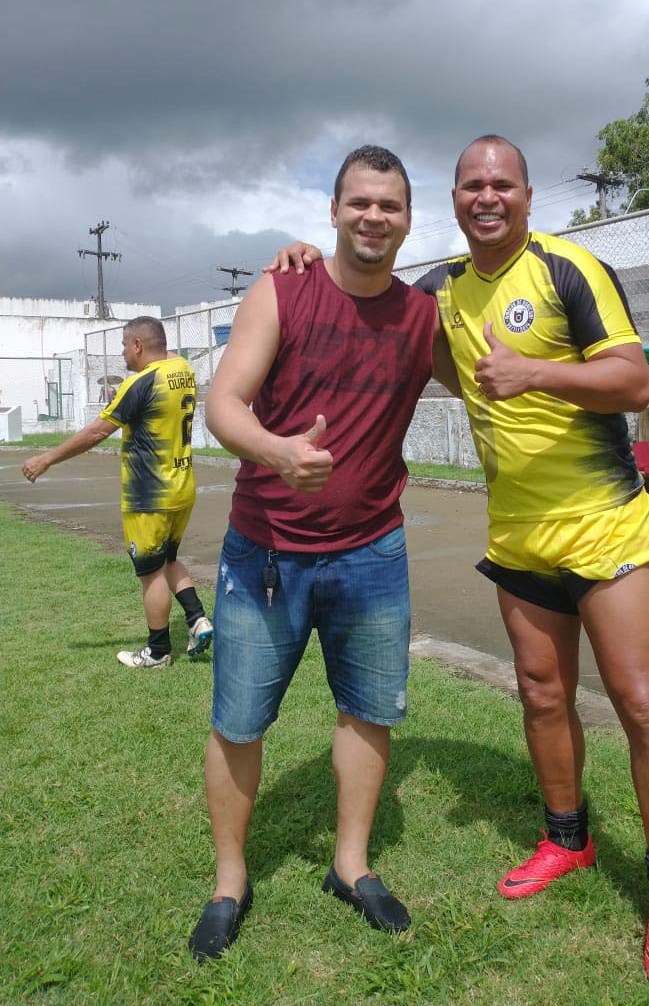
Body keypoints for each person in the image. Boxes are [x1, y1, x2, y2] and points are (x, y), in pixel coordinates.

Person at [274, 135, 649, 992]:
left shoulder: (569, 268)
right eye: (472, 185)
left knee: (643, 705)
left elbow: (634, 382)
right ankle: (567, 839)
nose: (488, 196)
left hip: (604, 528)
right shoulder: (442, 291)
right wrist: (305, 261)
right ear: (456, 201)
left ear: (528, 196)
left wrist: (533, 372)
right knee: (541, 693)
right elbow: (370, 289)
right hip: (517, 535)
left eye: (503, 183)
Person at [188, 146, 458, 963]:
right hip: (265, 553)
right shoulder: (283, 288)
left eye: (390, 205)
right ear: (334, 211)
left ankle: (351, 866)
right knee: (239, 720)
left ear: (408, 221)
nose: (374, 216)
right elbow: (222, 401)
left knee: (367, 711)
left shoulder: (422, 318)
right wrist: (276, 452)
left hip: (372, 552)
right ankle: (229, 882)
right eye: (360, 202)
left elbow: (492, 382)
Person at [22, 317, 212, 667]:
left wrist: (46, 459)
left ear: (138, 345)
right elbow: (166, 352)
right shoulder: (182, 369)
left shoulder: (140, 383)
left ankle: (158, 652)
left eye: (125, 345)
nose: (123, 353)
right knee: (168, 560)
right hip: (182, 486)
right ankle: (197, 619)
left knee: (151, 573)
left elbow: (97, 432)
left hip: (149, 494)